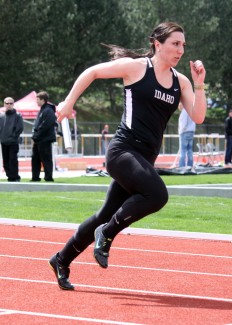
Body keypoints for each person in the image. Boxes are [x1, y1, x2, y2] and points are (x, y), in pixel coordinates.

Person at [49, 21, 207, 290]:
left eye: (183, 45)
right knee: (157, 195)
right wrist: (69, 101)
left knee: (104, 214)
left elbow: (198, 116)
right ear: (158, 44)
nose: (180, 49)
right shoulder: (137, 68)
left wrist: (199, 85)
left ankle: (61, 259)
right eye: (175, 44)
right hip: (123, 151)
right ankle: (108, 234)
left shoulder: (180, 82)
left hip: (143, 159)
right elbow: (92, 72)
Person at [31, 91, 57, 182]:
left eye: (37, 99)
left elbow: (46, 125)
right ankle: (35, 177)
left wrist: (37, 135)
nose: (36, 101)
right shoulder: (42, 110)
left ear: (43, 100)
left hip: (45, 140)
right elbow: (37, 125)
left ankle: (48, 177)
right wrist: (35, 136)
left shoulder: (48, 110)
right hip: (38, 139)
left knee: (46, 160)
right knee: (35, 159)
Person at [0, 97, 24, 181]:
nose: (9, 105)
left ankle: (15, 177)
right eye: (7, 103)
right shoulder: (1, 115)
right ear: (4, 104)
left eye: (11, 103)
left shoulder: (18, 115)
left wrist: (13, 136)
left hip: (13, 142)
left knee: (12, 160)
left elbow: (20, 128)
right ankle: (10, 176)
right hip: (3, 142)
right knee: (5, 161)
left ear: (13, 104)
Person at [178, 103, 196, 167]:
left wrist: (180, 131)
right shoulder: (191, 111)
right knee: (190, 150)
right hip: (191, 131)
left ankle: (181, 166)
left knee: (183, 150)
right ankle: (190, 165)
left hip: (184, 132)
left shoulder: (184, 112)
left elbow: (184, 123)